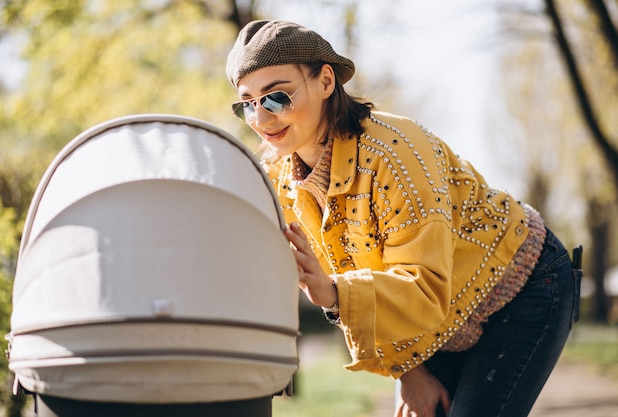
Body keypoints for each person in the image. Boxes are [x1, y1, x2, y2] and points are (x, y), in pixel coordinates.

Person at [225, 20, 582, 417]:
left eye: (276, 97)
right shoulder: (280, 180)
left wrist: (336, 295)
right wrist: (409, 373)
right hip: (440, 322)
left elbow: (421, 283)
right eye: (248, 104)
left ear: (326, 82)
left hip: (525, 286)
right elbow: (367, 270)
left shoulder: (394, 153)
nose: (261, 118)